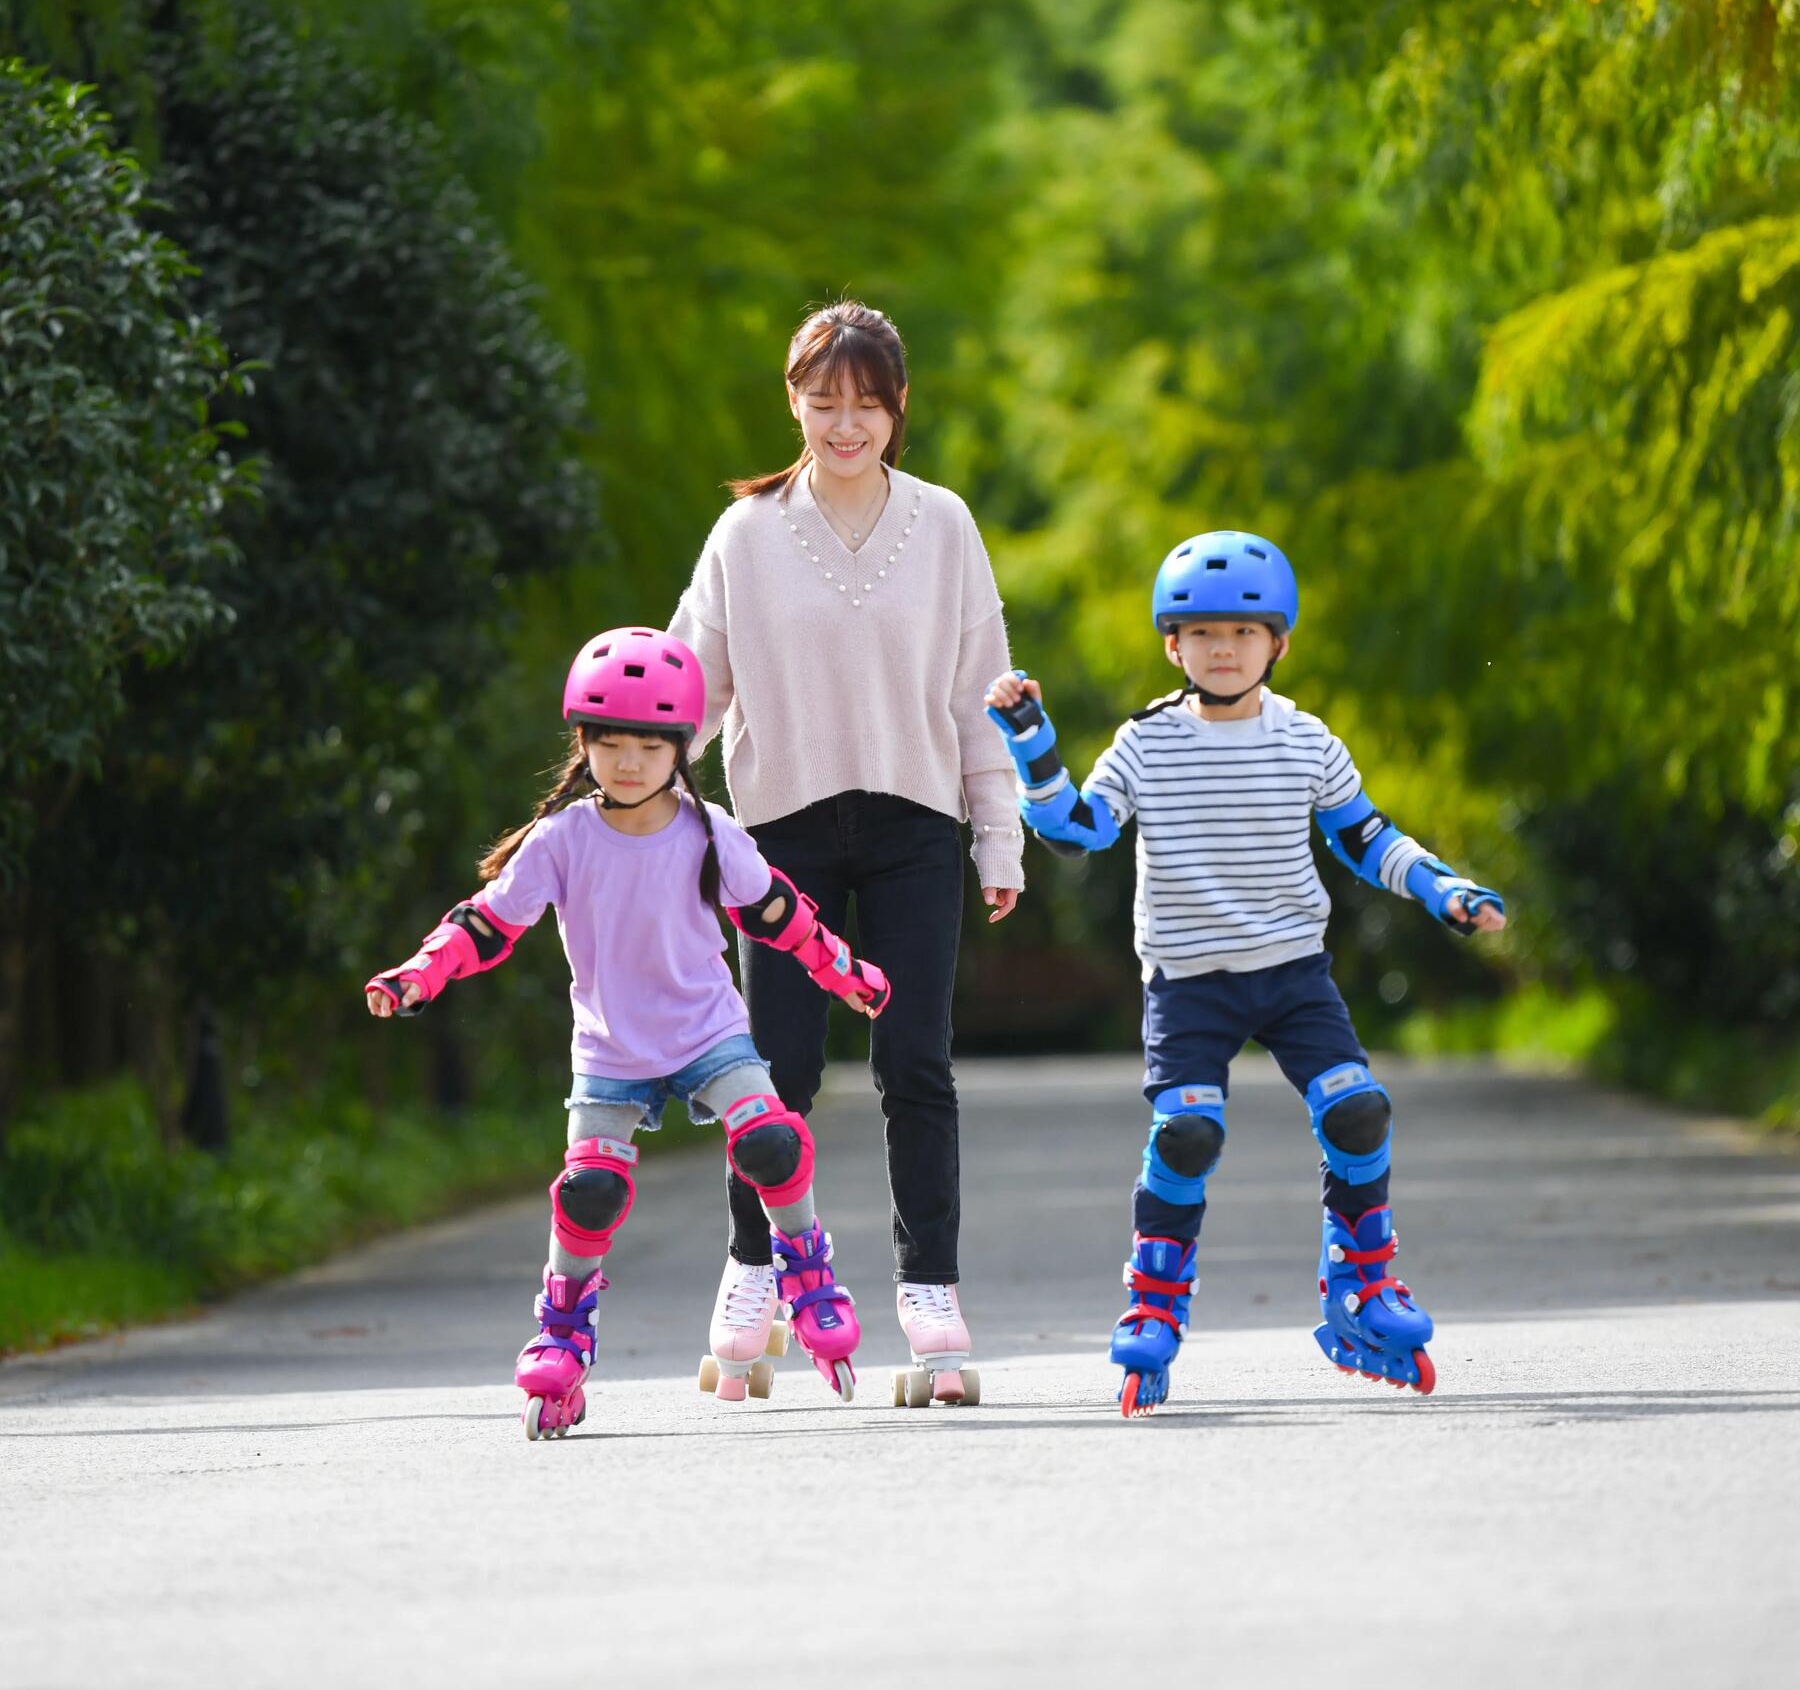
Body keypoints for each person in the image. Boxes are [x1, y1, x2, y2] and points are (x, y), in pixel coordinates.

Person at [985, 531, 1507, 1417]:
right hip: (1189, 983)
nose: (1222, 650)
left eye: (1242, 632)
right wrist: (1033, 742)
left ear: (1279, 643)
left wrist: (1443, 887)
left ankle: (1363, 1282)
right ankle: (1153, 1302)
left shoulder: (1305, 740)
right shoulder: (1146, 743)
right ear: (1171, 646)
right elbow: (1078, 829)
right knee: (1188, 1134)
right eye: (1201, 634)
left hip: (1293, 972)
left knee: (1358, 1107)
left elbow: (1367, 837)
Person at [364, 628, 890, 1438]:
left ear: (682, 748)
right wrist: (420, 975)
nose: (630, 762)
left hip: (709, 1032)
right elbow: (488, 923)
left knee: (771, 1142)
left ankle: (808, 1271)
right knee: (589, 1192)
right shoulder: (563, 839)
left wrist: (841, 970)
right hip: (611, 1049)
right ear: (583, 743)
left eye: (651, 744)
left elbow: (778, 910)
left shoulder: (708, 831)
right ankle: (564, 1331)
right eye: (610, 742)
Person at [669, 300, 1023, 1409]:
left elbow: (983, 691)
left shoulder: (946, 524)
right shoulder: (746, 535)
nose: (843, 424)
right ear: (793, 401)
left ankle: (929, 1290)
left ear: (897, 406)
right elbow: (689, 687)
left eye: (864, 404)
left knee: (914, 1059)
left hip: (917, 819)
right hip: (781, 829)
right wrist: (645, 807)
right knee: (770, 1069)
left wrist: (997, 830)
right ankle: (754, 1271)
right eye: (823, 403)